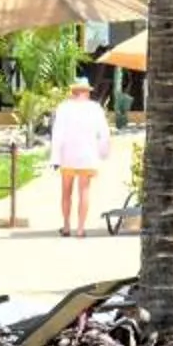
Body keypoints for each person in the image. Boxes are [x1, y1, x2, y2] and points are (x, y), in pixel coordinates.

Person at [47, 76, 110, 238]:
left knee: (66, 191)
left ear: (73, 92)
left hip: (67, 155)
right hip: (87, 155)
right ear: (87, 93)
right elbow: (104, 134)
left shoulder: (63, 108)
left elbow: (57, 135)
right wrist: (103, 153)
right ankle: (81, 228)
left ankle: (67, 225)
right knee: (84, 190)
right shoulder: (95, 109)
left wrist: (55, 158)